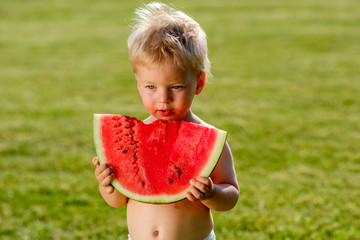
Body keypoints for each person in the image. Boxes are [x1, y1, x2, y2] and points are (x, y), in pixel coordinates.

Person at [92, 2, 239, 240]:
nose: (163, 99)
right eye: (151, 87)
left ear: (198, 83)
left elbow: (231, 194)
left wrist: (212, 194)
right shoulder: (134, 142)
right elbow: (118, 201)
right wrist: (107, 185)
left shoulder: (209, 138)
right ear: (138, 83)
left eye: (176, 87)